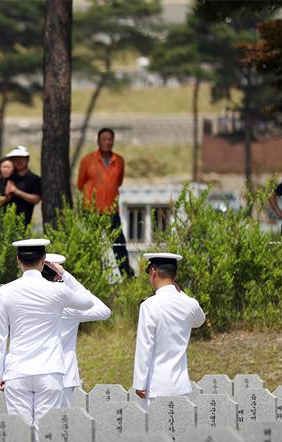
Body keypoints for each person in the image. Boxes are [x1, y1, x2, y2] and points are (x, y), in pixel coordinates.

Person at [0, 239, 95, 440]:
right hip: (49, 369)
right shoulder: (57, 290)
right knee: (46, 435)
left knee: (19, 436)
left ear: (18, 260)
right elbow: (88, 301)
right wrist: (64, 274)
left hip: (17, 371)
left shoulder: (5, 292)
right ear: (44, 261)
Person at [39, 253, 111, 408]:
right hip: (63, 374)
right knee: (62, 426)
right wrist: (70, 279)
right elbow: (104, 311)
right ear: (58, 277)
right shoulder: (67, 306)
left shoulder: (29, 301)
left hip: (35, 374)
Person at [133, 253, 205, 402]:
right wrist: (182, 294)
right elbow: (200, 320)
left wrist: (140, 383)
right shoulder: (188, 303)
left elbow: (144, 347)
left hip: (155, 387)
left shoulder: (149, 305)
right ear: (175, 277)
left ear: (153, 272)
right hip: (181, 387)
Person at [77, 128, 132, 278]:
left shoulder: (119, 160)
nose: (107, 142)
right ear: (98, 141)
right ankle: (94, 277)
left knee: (119, 245)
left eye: (110, 139)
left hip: (111, 210)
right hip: (91, 211)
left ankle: (127, 277)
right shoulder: (87, 160)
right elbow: (80, 183)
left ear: (113, 141)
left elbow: (118, 182)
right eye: (104, 139)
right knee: (92, 245)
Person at [2, 146, 42, 226]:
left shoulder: (34, 179)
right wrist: (7, 196)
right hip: (6, 221)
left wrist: (17, 191)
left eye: (21, 159)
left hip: (24, 222)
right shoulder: (9, 178)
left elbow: (36, 199)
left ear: (27, 159)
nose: (18, 161)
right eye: (15, 159)